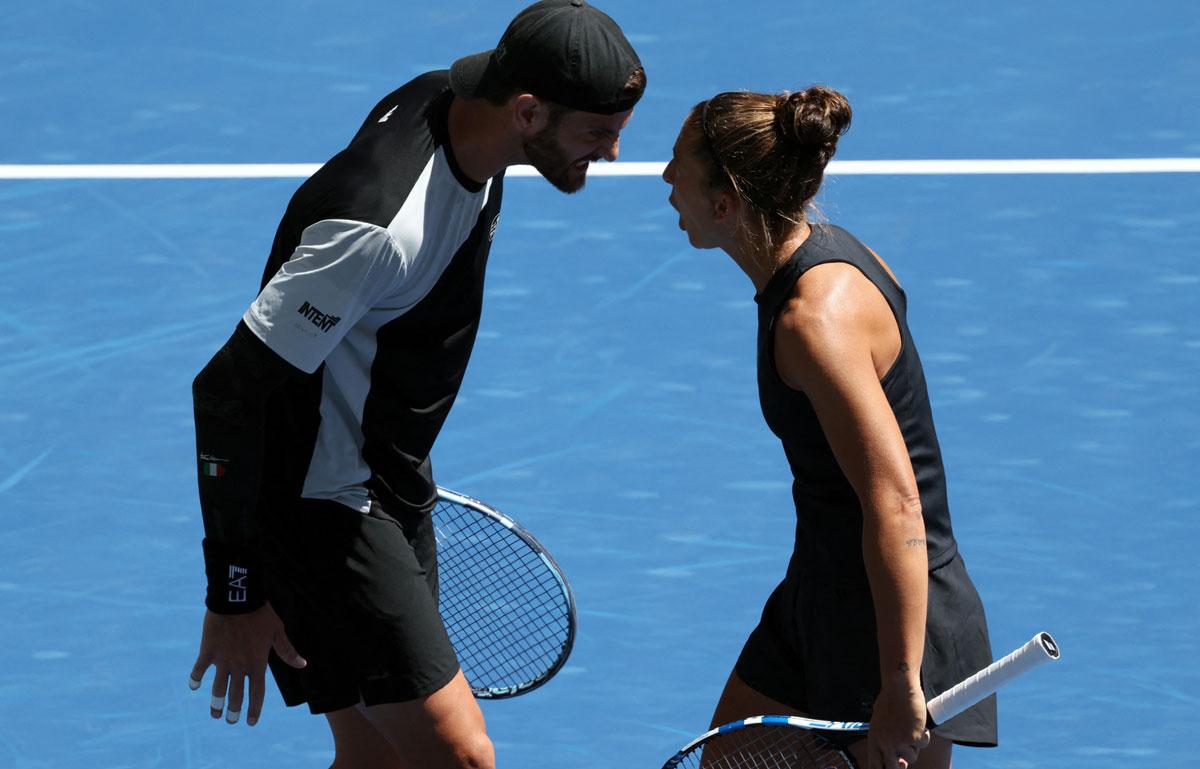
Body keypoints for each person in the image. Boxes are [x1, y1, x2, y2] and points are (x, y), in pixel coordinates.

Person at [184, 2, 645, 767]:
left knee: (379, 761)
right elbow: (227, 392)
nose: (616, 152)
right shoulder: (375, 230)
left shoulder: (460, 113)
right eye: (598, 133)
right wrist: (234, 587)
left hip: (388, 484)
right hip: (326, 506)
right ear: (528, 111)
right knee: (461, 756)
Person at [661, 87, 996, 769]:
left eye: (678, 166)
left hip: (886, 620)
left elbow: (896, 502)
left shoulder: (815, 323)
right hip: (822, 588)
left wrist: (902, 682)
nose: (666, 180)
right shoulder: (831, 254)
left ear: (724, 203)